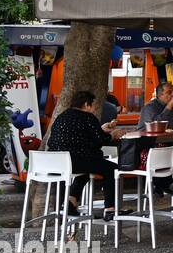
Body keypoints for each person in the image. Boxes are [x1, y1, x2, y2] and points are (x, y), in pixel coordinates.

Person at [45, 90, 120, 219]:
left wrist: (100, 129)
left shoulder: (62, 116)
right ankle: (110, 209)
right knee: (111, 168)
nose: (93, 108)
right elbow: (101, 141)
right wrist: (112, 135)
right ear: (86, 104)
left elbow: (79, 135)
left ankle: (71, 201)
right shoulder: (88, 117)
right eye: (92, 105)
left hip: (56, 162)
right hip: (75, 161)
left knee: (88, 167)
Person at [136, 81, 173, 189]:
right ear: (160, 95)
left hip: (167, 144)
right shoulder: (150, 108)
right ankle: (158, 183)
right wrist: (169, 107)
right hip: (148, 146)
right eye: (169, 92)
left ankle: (161, 184)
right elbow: (156, 125)